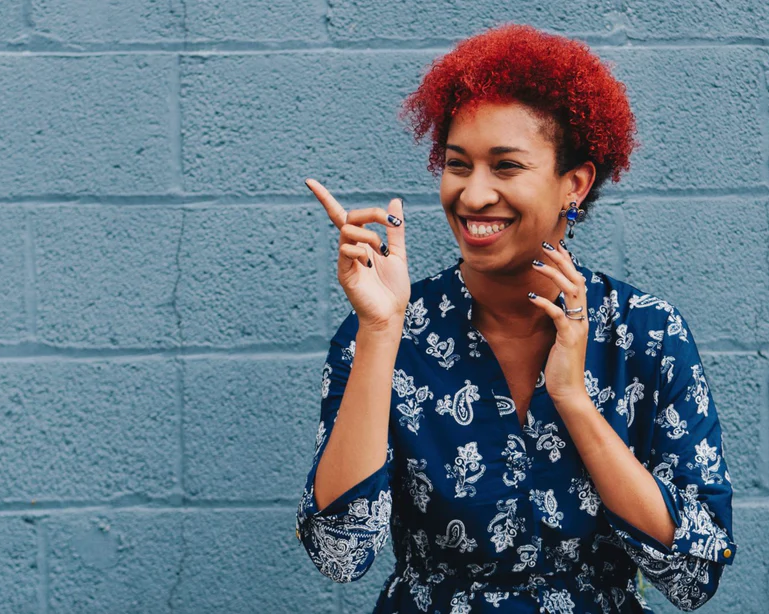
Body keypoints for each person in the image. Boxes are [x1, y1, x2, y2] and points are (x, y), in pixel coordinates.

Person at [295, 23, 737, 613]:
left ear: (572, 185)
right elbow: (339, 555)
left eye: (506, 167)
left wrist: (574, 401)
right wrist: (379, 331)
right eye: (458, 165)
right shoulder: (384, 331)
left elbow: (692, 575)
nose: (474, 195)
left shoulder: (646, 334)